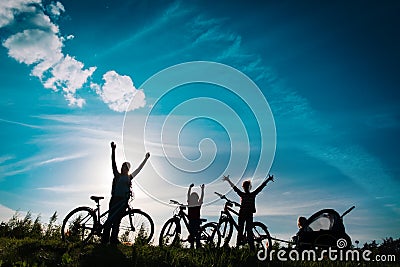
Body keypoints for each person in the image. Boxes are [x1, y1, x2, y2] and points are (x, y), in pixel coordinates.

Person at [101, 141, 150, 244]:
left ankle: (113, 239)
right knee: (110, 219)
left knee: (117, 220)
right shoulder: (117, 175)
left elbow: (139, 169)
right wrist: (113, 150)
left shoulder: (129, 177)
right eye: (123, 166)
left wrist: (145, 159)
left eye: (126, 167)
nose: (124, 168)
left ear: (128, 169)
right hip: (115, 199)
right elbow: (113, 162)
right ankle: (105, 240)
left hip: (123, 202)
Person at [222, 174, 274, 250]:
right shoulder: (252, 194)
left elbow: (234, 188)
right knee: (248, 231)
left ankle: (239, 246)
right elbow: (261, 187)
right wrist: (268, 180)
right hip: (249, 214)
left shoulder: (243, 194)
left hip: (243, 214)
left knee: (241, 230)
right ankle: (250, 248)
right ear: (249, 187)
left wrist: (228, 180)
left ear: (244, 187)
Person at [187, 183, 205, 249]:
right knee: (195, 235)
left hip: (192, 221)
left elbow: (188, 195)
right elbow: (202, 197)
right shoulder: (197, 203)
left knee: (193, 234)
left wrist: (190, 188)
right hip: (195, 220)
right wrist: (202, 189)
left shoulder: (190, 203)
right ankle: (197, 247)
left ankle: (194, 247)